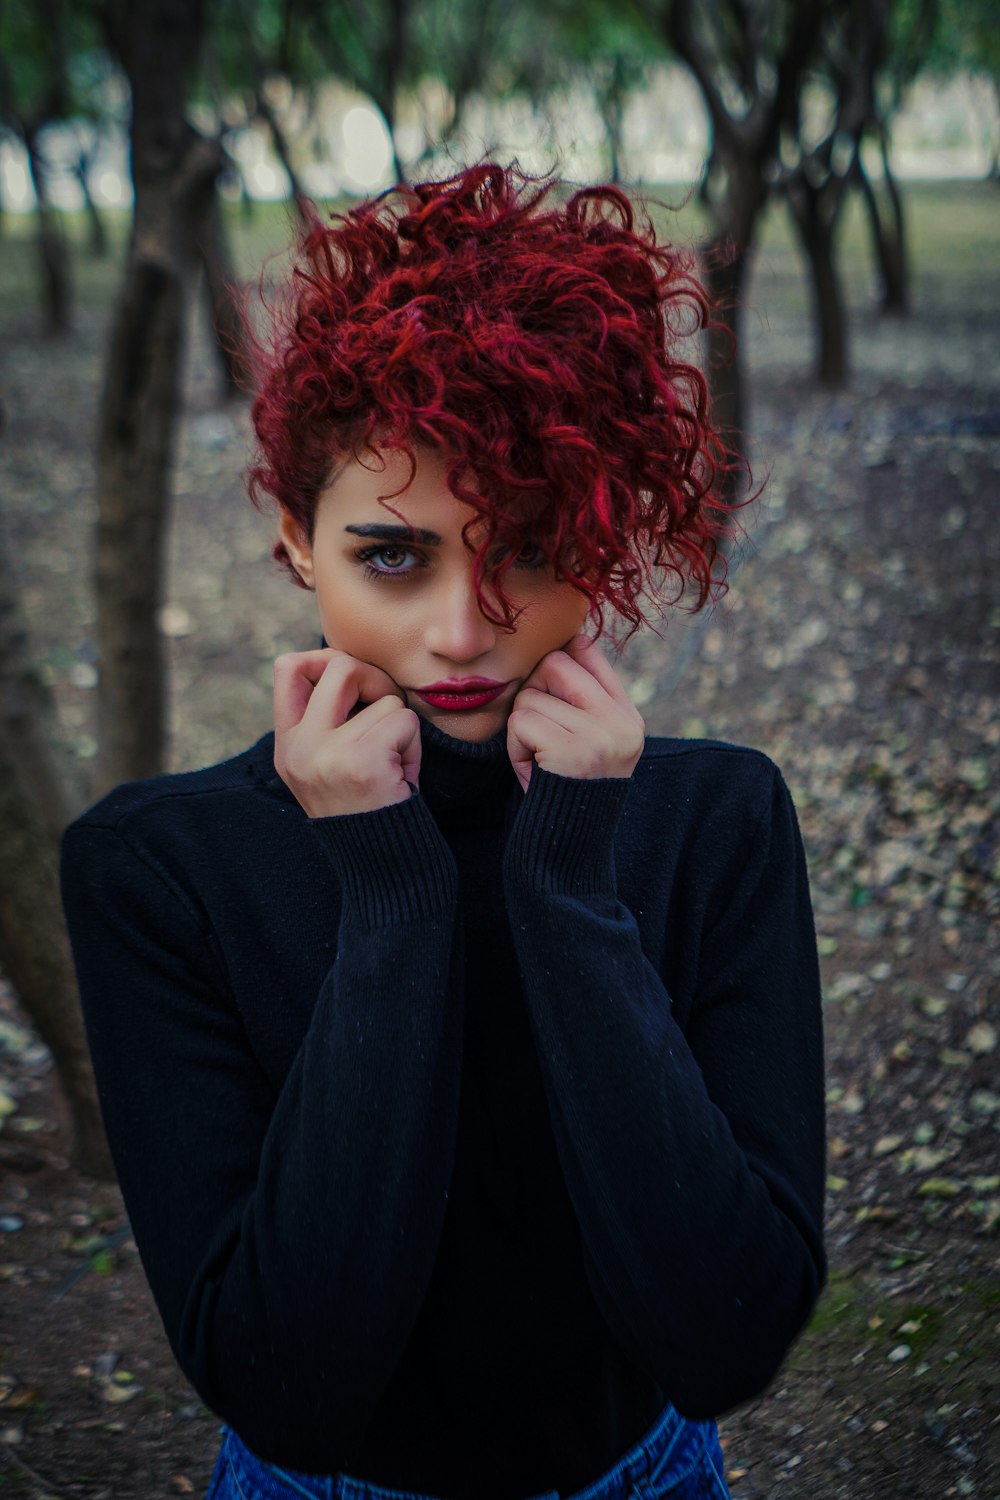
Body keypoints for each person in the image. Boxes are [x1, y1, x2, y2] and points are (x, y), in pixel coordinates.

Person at [60, 163, 826, 1500]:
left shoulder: (719, 823)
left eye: (531, 546)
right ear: (298, 541)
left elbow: (725, 1336)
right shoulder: (155, 872)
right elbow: (286, 1377)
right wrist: (390, 892)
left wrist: (574, 892)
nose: (464, 632)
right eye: (395, 555)